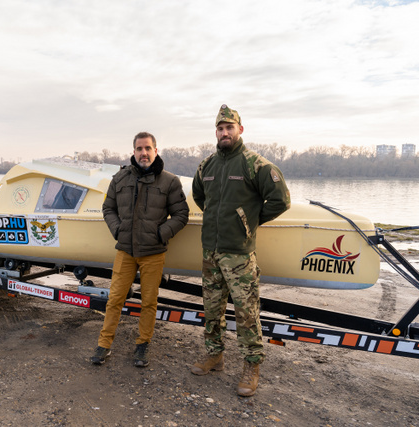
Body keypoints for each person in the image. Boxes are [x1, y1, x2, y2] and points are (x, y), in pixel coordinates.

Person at [190, 105, 290, 396]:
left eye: (229, 127)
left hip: (239, 255)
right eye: (220, 128)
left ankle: (252, 365)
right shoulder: (206, 166)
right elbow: (200, 196)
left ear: (240, 130)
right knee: (211, 310)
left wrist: (248, 222)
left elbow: (281, 201)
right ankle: (214, 355)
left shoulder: (256, 165)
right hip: (211, 251)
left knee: (246, 313)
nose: (224, 133)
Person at [91, 131, 189, 367]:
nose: (143, 153)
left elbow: (181, 214)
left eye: (148, 148)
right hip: (125, 250)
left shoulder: (169, 181)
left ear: (156, 151)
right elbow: (108, 209)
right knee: (115, 299)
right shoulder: (120, 178)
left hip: (153, 253)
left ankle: (142, 345)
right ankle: (104, 345)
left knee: (148, 302)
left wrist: (160, 234)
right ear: (133, 152)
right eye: (139, 149)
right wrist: (118, 230)